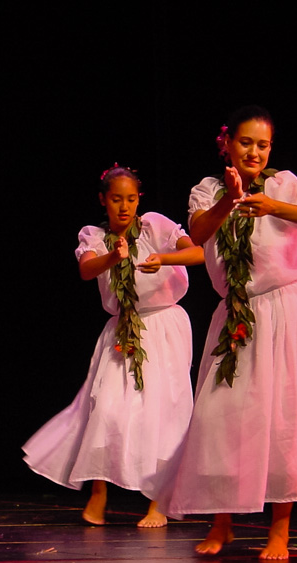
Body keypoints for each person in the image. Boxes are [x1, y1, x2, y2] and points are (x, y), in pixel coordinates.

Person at [155, 106, 297, 560]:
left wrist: (275, 206)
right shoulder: (208, 189)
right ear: (227, 144)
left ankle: (280, 530)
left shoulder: (286, 185)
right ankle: (224, 523)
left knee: (287, 419)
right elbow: (198, 234)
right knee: (222, 418)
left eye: (263, 145)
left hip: (290, 311)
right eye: (246, 143)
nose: (254, 152)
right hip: (237, 316)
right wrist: (229, 201)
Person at [23, 164, 203, 528]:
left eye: (131, 199)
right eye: (116, 199)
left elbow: (198, 253)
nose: (125, 207)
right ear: (103, 200)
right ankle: (99, 494)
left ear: (140, 200)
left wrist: (164, 258)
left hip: (164, 325)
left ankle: (158, 502)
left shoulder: (154, 225)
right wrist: (113, 257)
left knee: (164, 413)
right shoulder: (94, 235)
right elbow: (87, 270)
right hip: (121, 328)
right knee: (105, 408)